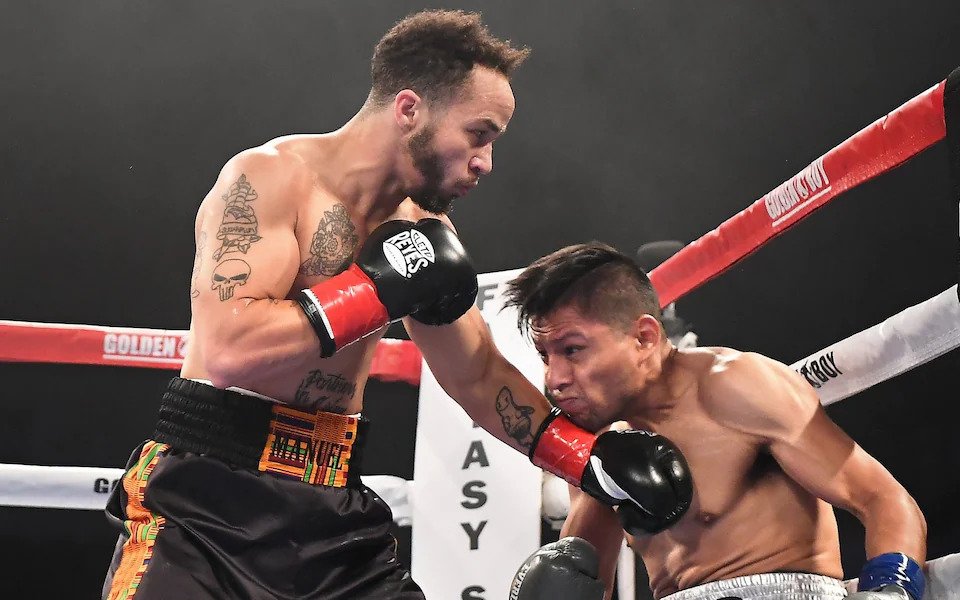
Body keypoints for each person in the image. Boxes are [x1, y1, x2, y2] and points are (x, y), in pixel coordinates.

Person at [101, 11, 690, 600]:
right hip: (206, 498)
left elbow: (478, 375)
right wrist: (376, 287)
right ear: (409, 109)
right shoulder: (270, 179)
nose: (484, 161)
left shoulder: (421, 229)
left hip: (329, 508)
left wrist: (587, 462)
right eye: (478, 134)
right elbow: (231, 350)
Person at [505, 242, 928, 600]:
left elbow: (884, 500)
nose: (554, 379)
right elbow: (583, 579)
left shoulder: (734, 387)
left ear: (644, 337)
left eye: (573, 350)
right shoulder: (599, 446)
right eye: (546, 356)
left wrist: (890, 590)